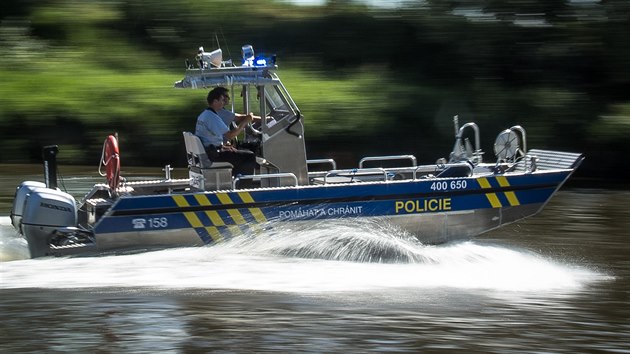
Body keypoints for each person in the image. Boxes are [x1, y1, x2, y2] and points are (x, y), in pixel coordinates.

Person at [195, 87, 258, 177]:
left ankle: (235, 181)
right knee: (249, 156)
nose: (224, 102)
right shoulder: (212, 117)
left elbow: (211, 138)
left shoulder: (205, 114)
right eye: (222, 100)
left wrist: (223, 146)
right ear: (215, 101)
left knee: (238, 153)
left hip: (208, 152)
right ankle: (243, 187)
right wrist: (245, 121)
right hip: (213, 155)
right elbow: (230, 135)